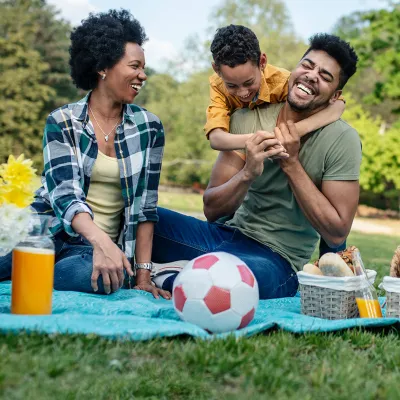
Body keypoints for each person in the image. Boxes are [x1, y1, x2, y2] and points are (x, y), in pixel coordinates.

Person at [151, 34, 361, 300]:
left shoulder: (343, 140)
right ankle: (180, 272)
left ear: (336, 96)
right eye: (307, 66)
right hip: (222, 237)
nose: (311, 75)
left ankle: (171, 274)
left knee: (238, 281)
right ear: (293, 71)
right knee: (142, 218)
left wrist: (291, 163)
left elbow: (336, 233)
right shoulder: (246, 119)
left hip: (275, 261)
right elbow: (212, 210)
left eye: (325, 76)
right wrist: (247, 173)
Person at [0, 10, 170, 299]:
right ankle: (31, 264)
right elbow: (65, 195)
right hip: (47, 232)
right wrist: (102, 241)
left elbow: (146, 208)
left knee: (101, 278)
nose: (143, 75)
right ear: (103, 67)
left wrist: (142, 275)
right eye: (135, 66)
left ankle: (35, 271)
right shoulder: (62, 120)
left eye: (144, 67)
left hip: (88, 251)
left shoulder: (149, 128)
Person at [204, 25, 345, 152]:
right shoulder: (218, 85)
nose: (242, 92)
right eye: (232, 85)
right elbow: (216, 139)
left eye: (249, 82)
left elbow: (337, 106)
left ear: (262, 62)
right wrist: (267, 139)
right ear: (217, 70)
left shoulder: (282, 81)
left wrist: (294, 132)